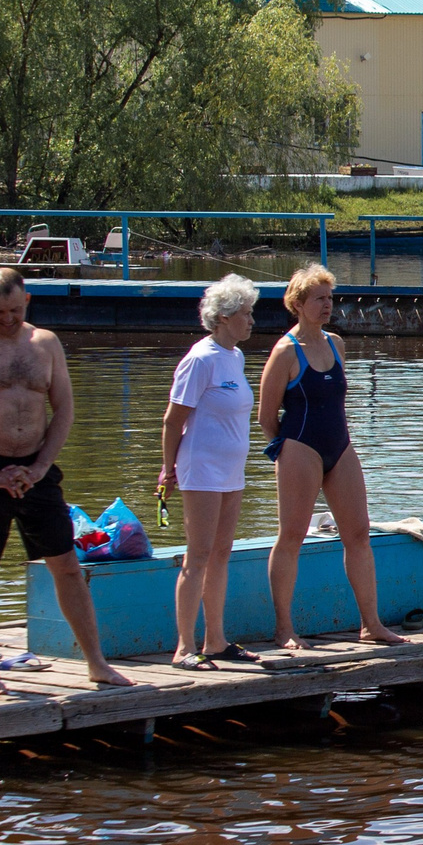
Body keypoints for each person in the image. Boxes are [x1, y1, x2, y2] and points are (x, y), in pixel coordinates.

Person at [0, 267, 131, 697]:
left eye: (15, 309)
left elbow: (63, 410)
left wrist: (41, 467)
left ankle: (96, 663)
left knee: (67, 566)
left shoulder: (45, 343)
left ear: (28, 301)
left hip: (35, 470)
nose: (8, 318)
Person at [258, 265, 404, 651]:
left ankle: (371, 624)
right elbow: (265, 416)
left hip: (339, 446)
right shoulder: (285, 351)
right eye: (319, 299)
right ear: (299, 304)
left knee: (358, 534)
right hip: (300, 446)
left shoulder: (336, 343)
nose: (328, 305)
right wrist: (287, 450)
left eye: (330, 297)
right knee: (291, 536)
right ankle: (285, 628)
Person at [159, 275, 261, 670]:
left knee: (221, 552)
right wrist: (167, 470)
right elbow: (173, 420)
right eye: (246, 314)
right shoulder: (200, 359)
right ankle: (184, 648)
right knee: (198, 555)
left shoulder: (234, 356)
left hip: (231, 470)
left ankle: (215, 640)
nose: (252, 320)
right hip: (200, 468)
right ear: (222, 317)